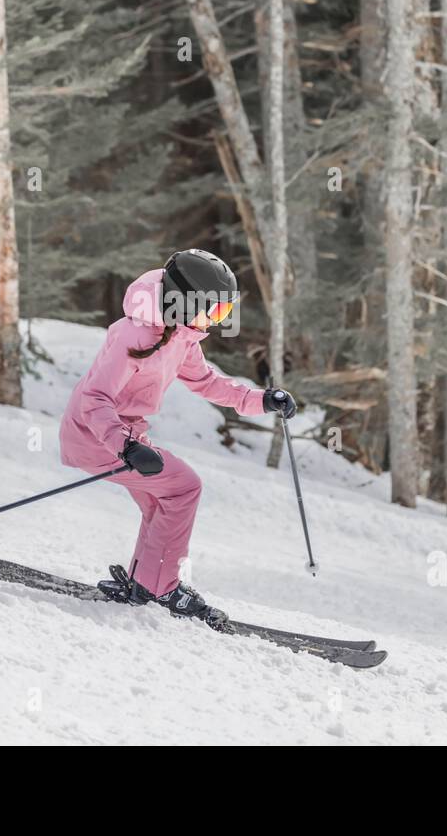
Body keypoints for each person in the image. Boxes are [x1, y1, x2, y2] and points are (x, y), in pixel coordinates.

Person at [58, 249, 297, 629]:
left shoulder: (181, 334)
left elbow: (205, 382)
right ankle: (163, 588)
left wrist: (260, 400)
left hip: (124, 435)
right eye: (213, 311)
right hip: (95, 435)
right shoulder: (134, 335)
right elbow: (95, 399)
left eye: (223, 313)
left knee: (162, 502)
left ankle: (146, 584)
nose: (217, 321)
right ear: (183, 302)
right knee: (184, 488)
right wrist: (124, 445)